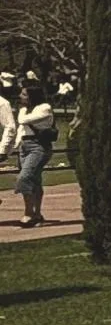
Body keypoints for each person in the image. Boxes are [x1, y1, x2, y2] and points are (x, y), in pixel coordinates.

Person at [12, 89, 57, 228]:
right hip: (25, 146)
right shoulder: (25, 109)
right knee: (35, 179)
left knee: (24, 177)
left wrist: (22, 111)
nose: (20, 96)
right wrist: (16, 145)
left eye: (24, 94)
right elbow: (21, 129)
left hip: (39, 146)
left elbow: (22, 120)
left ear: (33, 96)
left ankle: (28, 213)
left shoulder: (44, 108)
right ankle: (37, 214)